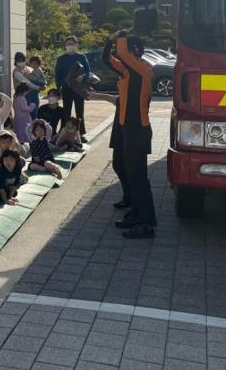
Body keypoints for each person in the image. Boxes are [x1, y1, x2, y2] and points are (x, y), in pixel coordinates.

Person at [94, 31, 156, 239]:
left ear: (133, 51)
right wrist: (109, 41)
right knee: (131, 174)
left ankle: (145, 223)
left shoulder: (143, 69)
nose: (121, 55)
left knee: (138, 178)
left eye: (126, 50)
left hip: (138, 129)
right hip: (128, 129)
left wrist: (120, 36)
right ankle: (136, 215)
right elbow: (107, 59)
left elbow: (122, 53)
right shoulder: (127, 72)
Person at [54, 36, 91, 141]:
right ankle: (64, 132)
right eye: (68, 44)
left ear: (76, 45)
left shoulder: (82, 57)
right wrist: (58, 88)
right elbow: (58, 75)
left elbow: (88, 71)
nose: (70, 46)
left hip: (79, 89)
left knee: (80, 112)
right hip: (66, 89)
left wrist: (82, 76)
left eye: (72, 44)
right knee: (66, 112)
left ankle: (81, 133)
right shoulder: (61, 59)